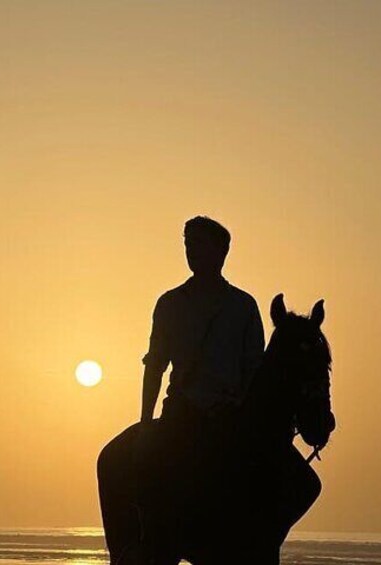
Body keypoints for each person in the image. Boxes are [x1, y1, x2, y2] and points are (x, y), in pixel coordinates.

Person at [97, 216, 265, 561]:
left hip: (230, 416)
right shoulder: (171, 303)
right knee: (148, 470)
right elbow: (155, 365)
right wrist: (145, 421)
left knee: (295, 482)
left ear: (222, 251)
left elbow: (254, 367)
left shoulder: (243, 305)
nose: (192, 252)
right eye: (188, 245)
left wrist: (241, 402)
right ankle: (147, 541)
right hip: (183, 414)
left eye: (199, 244)